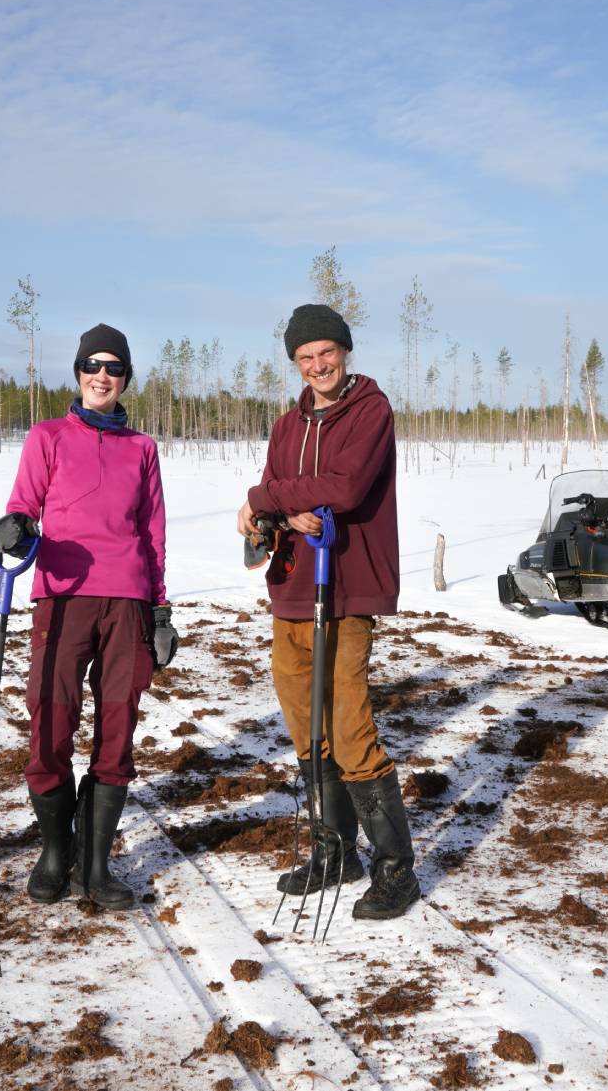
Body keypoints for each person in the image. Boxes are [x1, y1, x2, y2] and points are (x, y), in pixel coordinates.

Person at [235, 303, 419, 920]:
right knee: (304, 721)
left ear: (345, 352)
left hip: (345, 586)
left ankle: (397, 869)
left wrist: (263, 497)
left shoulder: (371, 410)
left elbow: (344, 488)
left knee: (347, 723)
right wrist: (280, 513)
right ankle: (334, 850)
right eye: (305, 358)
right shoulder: (288, 424)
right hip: (292, 584)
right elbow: (277, 494)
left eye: (327, 353)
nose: (318, 365)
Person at [0, 324, 176, 911]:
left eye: (114, 368)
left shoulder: (142, 448)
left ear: (125, 379)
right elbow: (24, 502)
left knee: (117, 730)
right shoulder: (47, 436)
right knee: (49, 724)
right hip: (62, 595)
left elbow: (153, 533)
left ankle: (95, 864)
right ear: (77, 372)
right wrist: (16, 525)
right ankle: (55, 851)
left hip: (127, 600)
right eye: (93, 365)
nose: (103, 376)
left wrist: (160, 609)